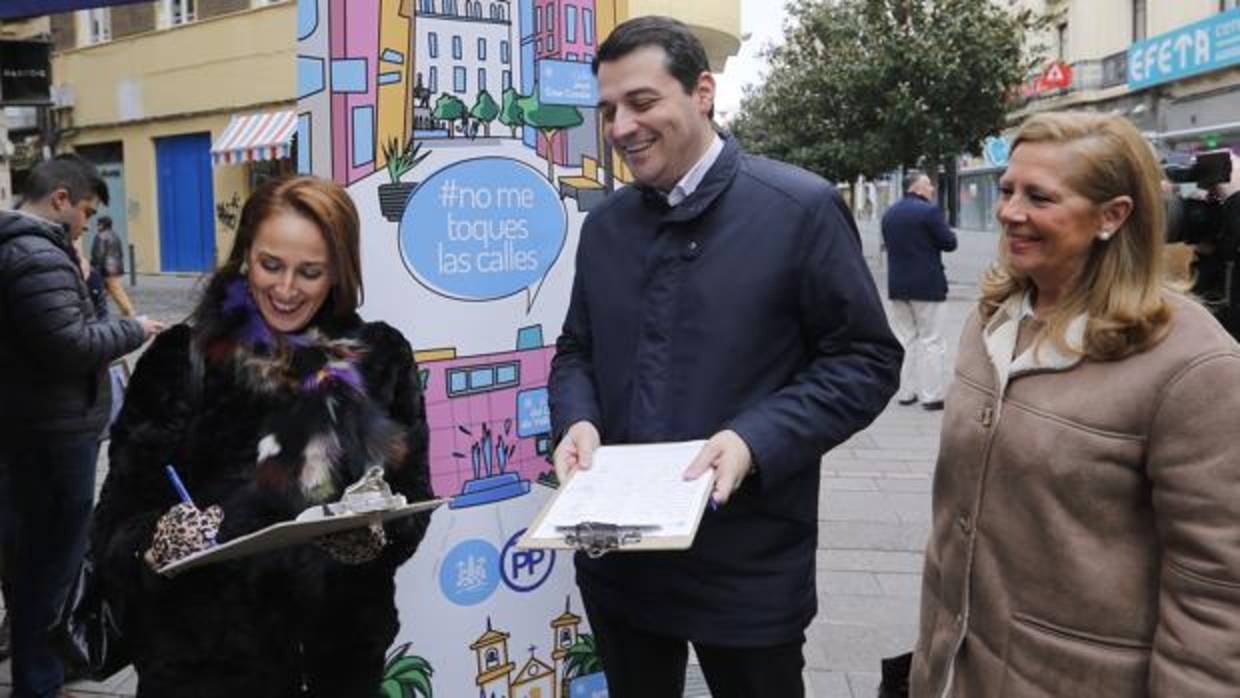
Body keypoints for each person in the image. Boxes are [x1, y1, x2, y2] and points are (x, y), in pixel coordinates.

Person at [548, 16, 903, 698]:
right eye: (609, 110)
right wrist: (577, 421)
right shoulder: (606, 227)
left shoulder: (798, 208)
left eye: (642, 102)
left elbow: (864, 360)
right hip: (619, 560)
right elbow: (577, 350)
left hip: (748, 563)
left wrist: (753, 439)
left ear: (702, 92)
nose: (621, 127)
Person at [911, 112, 1240, 696]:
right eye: (1008, 190)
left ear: (1113, 216)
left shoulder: (1194, 365)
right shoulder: (994, 317)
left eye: (1039, 197)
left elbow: (1218, 594)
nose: (1010, 211)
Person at [90, 175, 434, 697]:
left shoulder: (379, 358)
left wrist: (373, 538)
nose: (287, 289)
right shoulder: (181, 361)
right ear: (245, 253)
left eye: (310, 272)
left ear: (339, 272)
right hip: (202, 668)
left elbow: (412, 500)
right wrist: (158, 541)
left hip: (337, 663)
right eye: (270, 265)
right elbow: (114, 522)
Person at [0, 154, 161, 698]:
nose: (87, 225)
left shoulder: (37, 251)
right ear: (62, 199)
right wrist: (134, 330)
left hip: (37, 429)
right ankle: (40, 681)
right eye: (86, 212)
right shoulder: (33, 254)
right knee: (49, 569)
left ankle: (40, 674)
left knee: (32, 565)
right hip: (51, 436)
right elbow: (71, 344)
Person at [881, 171, 957, 410]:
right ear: (916, 187)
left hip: (898, 286)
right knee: (932, 340)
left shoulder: (890, 213)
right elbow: (949, 243)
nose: (932, 189)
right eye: (928, 184)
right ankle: (931, 396)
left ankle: (905, 392)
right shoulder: (930, 212)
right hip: (928, 286)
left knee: (906, 339)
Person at [89, 216, 136, 318]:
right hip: (115, 267)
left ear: (102, 225)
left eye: (98, 223)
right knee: (105, 290)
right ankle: (96, 311)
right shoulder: (115, 235)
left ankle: (129, 311)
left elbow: (98, 255)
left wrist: (93, 266)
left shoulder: (100, 236)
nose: (97, 226)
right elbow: (120, 253)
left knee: (116, 290)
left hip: (106, 269)